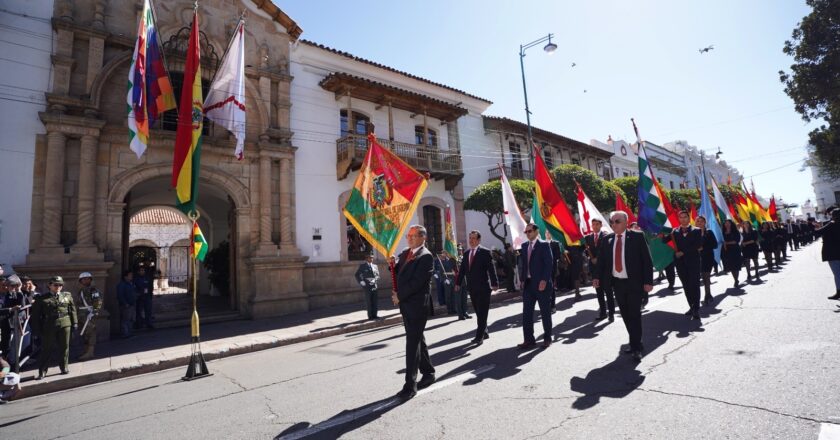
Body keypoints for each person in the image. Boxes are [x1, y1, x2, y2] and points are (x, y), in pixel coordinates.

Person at [592, 211, 653, 362]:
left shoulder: (637, 237)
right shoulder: (607, 240)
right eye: (612, 222)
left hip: (634, 283)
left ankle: (636, 346)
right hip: (617, 283)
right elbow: (602, 262)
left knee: (634, 314)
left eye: (617, 221)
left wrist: (648, 282)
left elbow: (646, 260)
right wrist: (596, 277)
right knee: (625, 315)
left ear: (626, 222)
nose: (614, 224)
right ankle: (634, 342)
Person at [392, 225, 435, 400]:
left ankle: (410, 385)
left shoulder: (426, 256)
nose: (408, 238)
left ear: (422, 238)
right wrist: (391, 264)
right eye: (408, 236)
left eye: (412, 236)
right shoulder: (404, 253)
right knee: (418, 340)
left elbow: (417, 283)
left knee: (412, 344)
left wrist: (399, 296)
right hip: (406, 305)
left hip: (417, 306)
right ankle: (429, 373)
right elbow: (399, 272)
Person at [456, 231, 499, 346]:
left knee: (483, 312)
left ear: (479, 240)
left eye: (474, 238)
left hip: (484, 288)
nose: (471, 240)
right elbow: (462, 271)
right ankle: (484, 332)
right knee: (479, 312)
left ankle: (479, 337)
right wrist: (458, 283)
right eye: (470, 238)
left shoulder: (485, 252)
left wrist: (495, 283)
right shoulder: (466, 254)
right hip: (472, 288)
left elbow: (491, 269)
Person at [517, 223, 554, 349]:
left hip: (541, 285)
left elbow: (549, 264)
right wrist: (522, 279)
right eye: (526, 232)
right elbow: (524, 266)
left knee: (545, 313)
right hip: (528, 285)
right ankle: (529, 339)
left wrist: (544, 280)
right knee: (526, 314)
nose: (527, 233)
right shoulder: (524, 246)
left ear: (536, 232)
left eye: (530, 231)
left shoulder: (544, 245)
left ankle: (547, 338)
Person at [31, 276, 77, 379]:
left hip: (65, 323)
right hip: (49, 325)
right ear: (49, 285)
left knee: (64, 347)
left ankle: (64, 367)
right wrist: (36, 330)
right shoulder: (42, 298)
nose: (58, 287)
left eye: (60, 285)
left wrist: (75, 323)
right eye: (55, 285)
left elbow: (72, 310)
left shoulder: (67, 296)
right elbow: (35, 316)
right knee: (46, 348)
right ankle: (42, 371)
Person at [663, 211, 703, 320]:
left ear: (688, 218)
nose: (683, 219)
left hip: (693, 262)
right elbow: (664, 240)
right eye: (681, 217)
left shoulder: (697, 230)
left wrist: (683, 252)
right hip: (680, 263)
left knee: (694, 285)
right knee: (686, 286)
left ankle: (696, 309)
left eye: (685, 217)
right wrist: (661, 233)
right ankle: (691, 306)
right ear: (679, 219)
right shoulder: (674, 231)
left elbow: (697, 245)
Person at [585, 219, 613, 322]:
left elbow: (607, 251)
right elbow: (586, 250)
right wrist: (590, 257)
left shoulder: (606, 236)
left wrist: (598, 259)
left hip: (605, 269)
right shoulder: (588, 238)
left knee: (608, 292)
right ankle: (603, 313)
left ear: (601, 225)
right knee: (599, 292)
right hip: (594, 269)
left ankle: (611, 313)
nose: (595, 226)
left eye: (597, 224)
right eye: (593, 225)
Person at [76, 272, 103, 361]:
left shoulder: (93, 290)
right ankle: (86, 350)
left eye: (87, 278)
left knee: (90, 333)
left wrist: (94, 312)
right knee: (84, 333)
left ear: (90, 280)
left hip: (89, 314)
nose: (85, 280)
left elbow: (98, 301)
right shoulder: (81, 290)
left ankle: (90, 352)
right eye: (83, 279)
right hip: (81, 315)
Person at [816, 208, 840, 300]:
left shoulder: (832, 224)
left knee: (837, 274)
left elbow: (818, 232)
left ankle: (839, 292)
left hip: (833, 253)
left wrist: (814, 226)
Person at [696, 216, 718, 306]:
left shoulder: (709, 232)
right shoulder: (694, 233)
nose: (700, 223)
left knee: (706, 277)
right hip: (697, 259)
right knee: (702, 278)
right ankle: (708, 294)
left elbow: (715, 245)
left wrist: (703, 247)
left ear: (705, 222)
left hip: (708, 257)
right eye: (698, 221)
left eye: (701, 221)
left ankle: (706, 295)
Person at [355, 253, 381, 320]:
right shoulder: (362, 266)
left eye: (372, 258)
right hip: (367, 286)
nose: (371, 259)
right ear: (366, 259)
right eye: (369, 258)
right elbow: (357, 274)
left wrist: (375, 279)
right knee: (369, 302)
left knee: (375, 301)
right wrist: (361, 281)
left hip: (374, 286)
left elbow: (378, 276)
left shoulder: (375, 266)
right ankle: (370, 316)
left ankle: (375, 315)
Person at [721, 220, 743, 288]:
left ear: (731, 224)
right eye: (725, 223)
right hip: (727, 252)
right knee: (731, 267)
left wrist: (726, 243)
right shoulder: (722, 233)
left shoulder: (736, 232)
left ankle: (736, 280)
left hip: (735, 251)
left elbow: (736, 241)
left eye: (728, 223)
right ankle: (735, 279)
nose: (727, 224)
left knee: (736, 266)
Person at [116, 270, 136, 338]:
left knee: (131, 319)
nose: (131, 276)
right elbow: (120, 295)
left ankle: (130, 332)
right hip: (126, 305)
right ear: (125, 277)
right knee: (125, 320)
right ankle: (125, 333)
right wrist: (125, 303)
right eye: (130, 275)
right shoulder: (122, 285)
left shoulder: (131, 284)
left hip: (132, 304)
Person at [437, 251, 458, 316]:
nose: (444, 255)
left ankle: (454, 309)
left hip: (453, 280)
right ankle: (449, 310)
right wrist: (445, 280)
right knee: (448, 296)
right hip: (447, 281)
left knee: (453, 296)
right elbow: (440, 273)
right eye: (443, 253)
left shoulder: (452, 261)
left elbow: (455, 269)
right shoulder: (441, 262)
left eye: (446, 253)